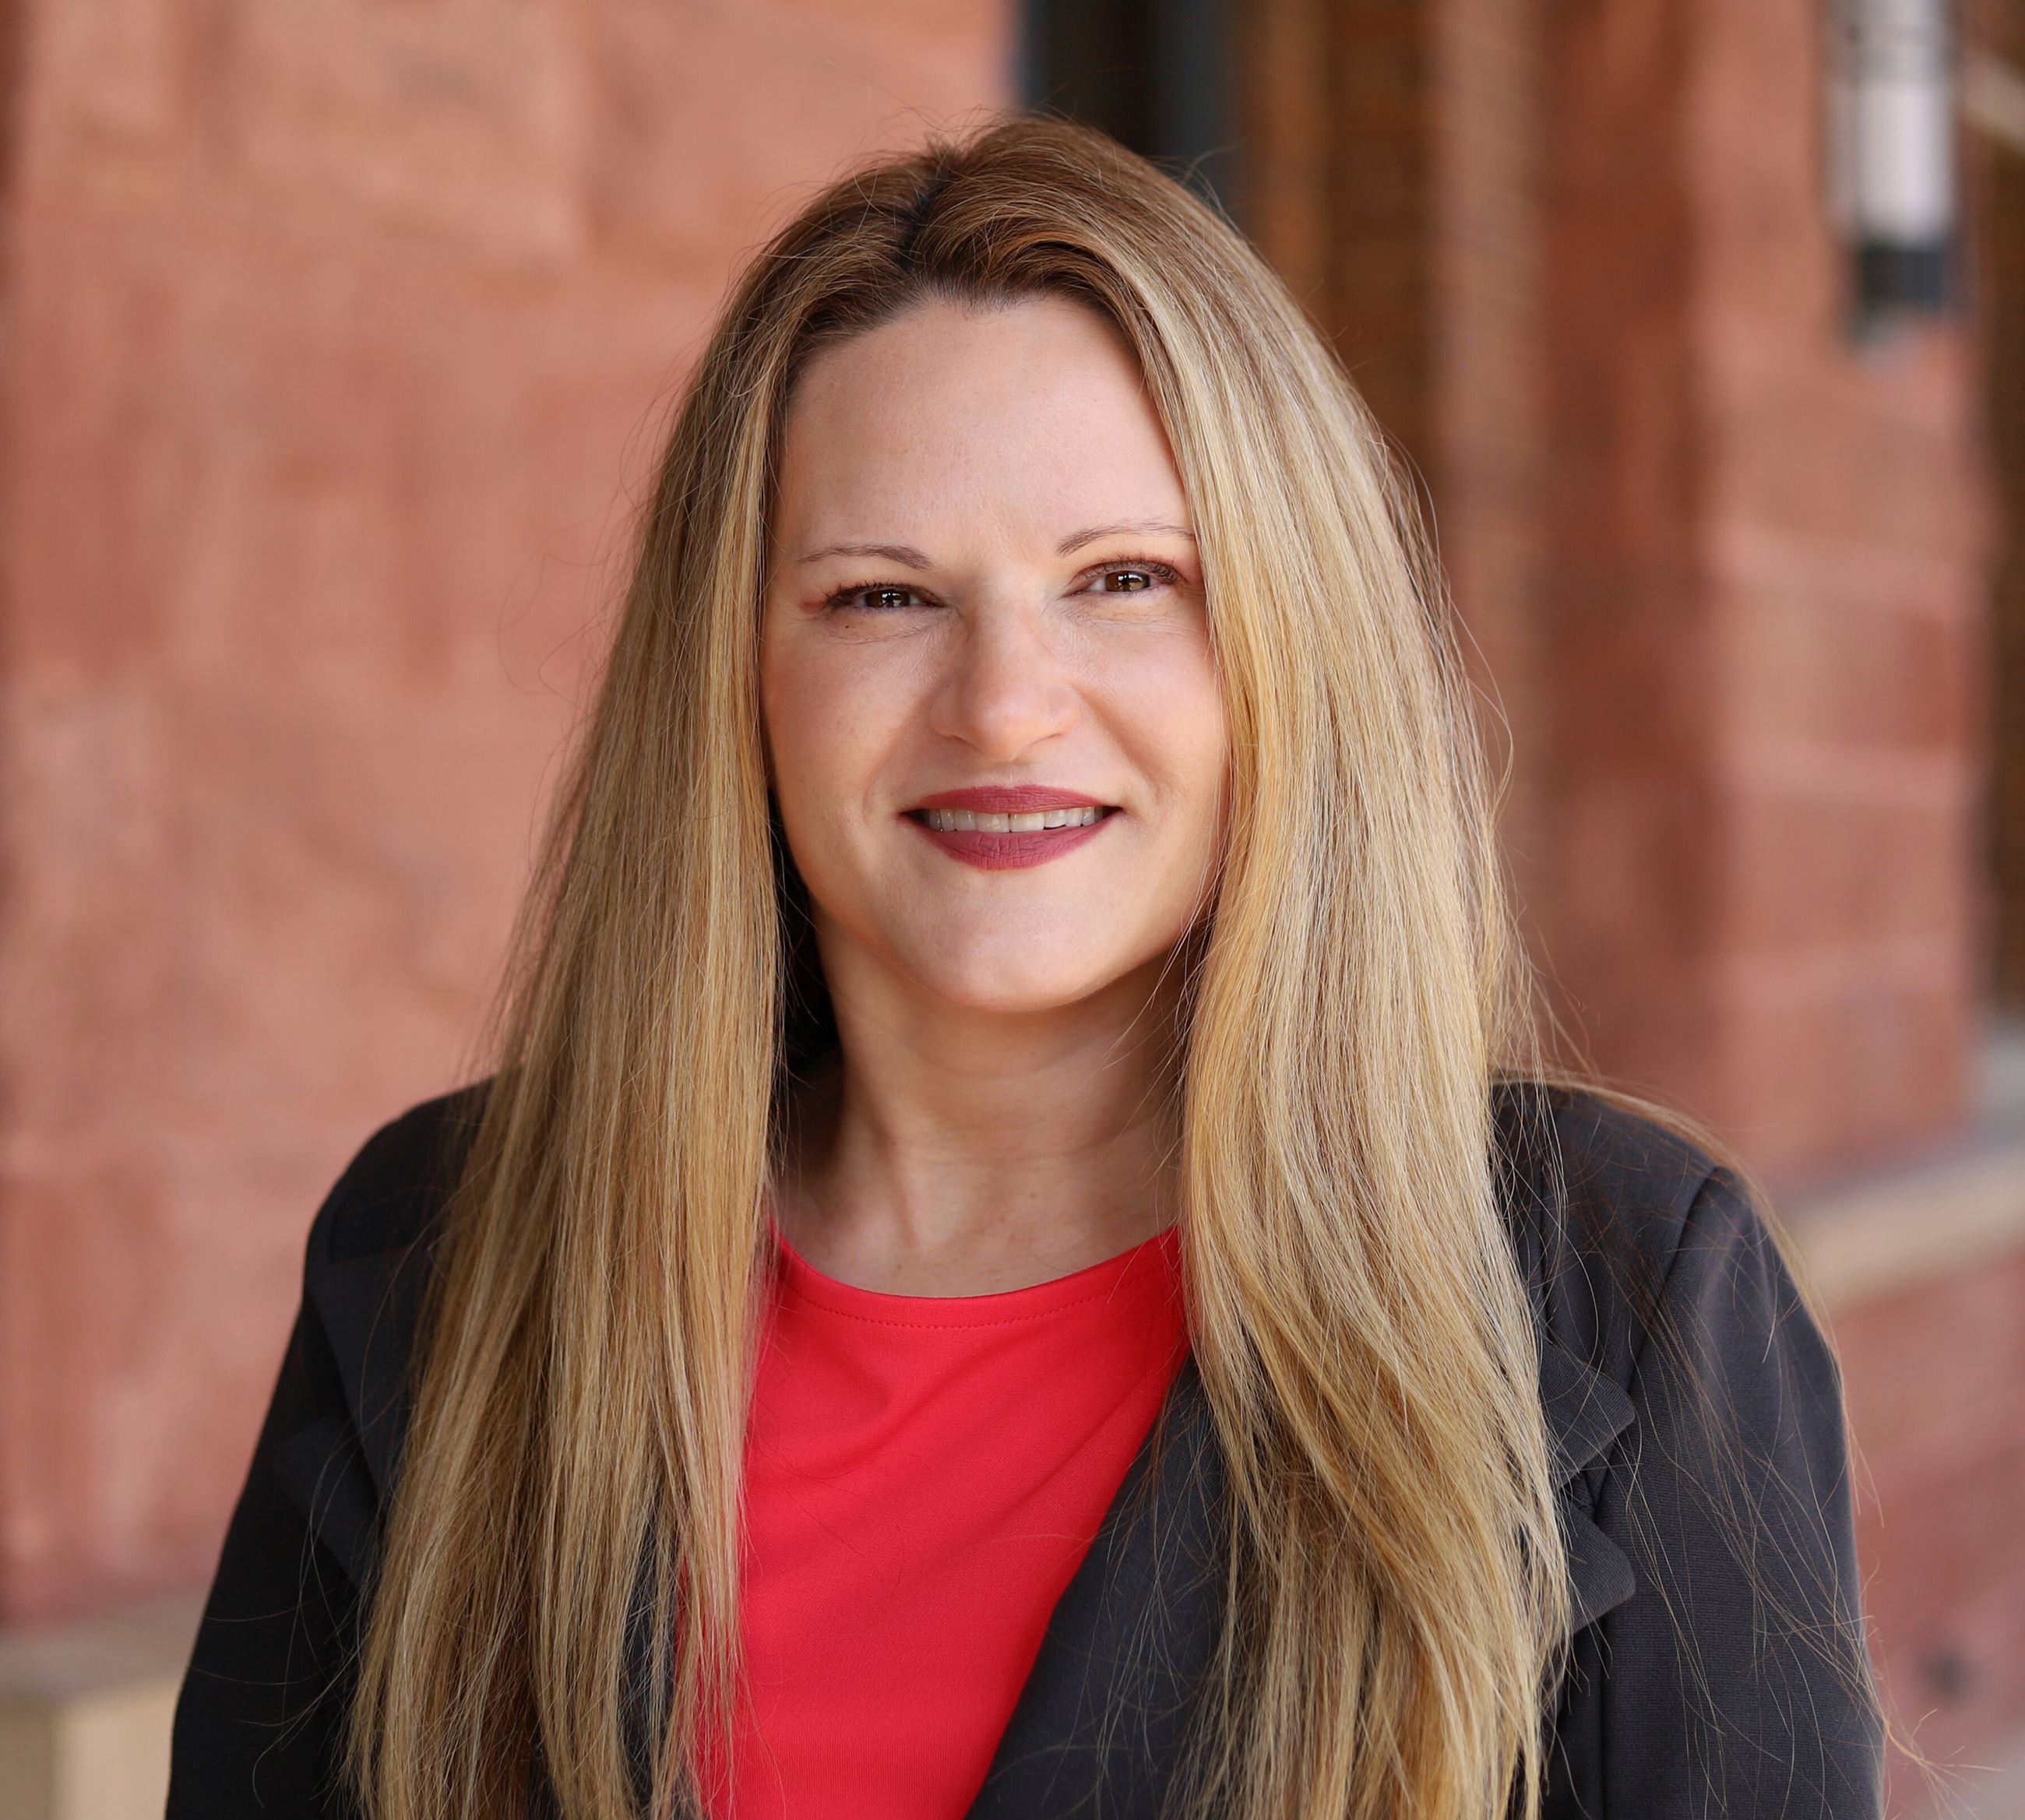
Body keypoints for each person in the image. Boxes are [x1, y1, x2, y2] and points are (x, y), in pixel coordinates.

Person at [167, 115, 1883, 1820]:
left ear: (1287, 651)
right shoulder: (443, 1254)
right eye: (880, 598)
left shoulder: (1620, 1284)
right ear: (735, 674)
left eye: (1125, 579)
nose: (1002, 704)